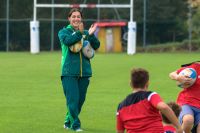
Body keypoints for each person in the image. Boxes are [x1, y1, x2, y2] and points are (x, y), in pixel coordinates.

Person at [58, 8, 100, 132]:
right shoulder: (63, 32)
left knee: (79, 101)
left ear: (81, 19)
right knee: (72, 100)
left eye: (78, 16)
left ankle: (67, 121)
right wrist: (80, 33)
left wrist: (91, 35)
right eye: (73, 16)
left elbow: (96, 46)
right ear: (69, 18)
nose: (76, 19)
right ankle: (75, 126)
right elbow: (68, 41)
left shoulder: (87, 32)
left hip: (85, 72)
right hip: (68, 72)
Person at [116, 68, 183, 133]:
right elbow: (163, 107)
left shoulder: (121, 106)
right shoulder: (150, 96)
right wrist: (178, 127)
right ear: (147, 83)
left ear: (130, 84)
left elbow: (120, 131)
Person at [169, 61, 200, 133]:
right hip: (187, 102)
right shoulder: (195, 67)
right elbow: (172, 74)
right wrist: (178, 77)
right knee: (188, 120)